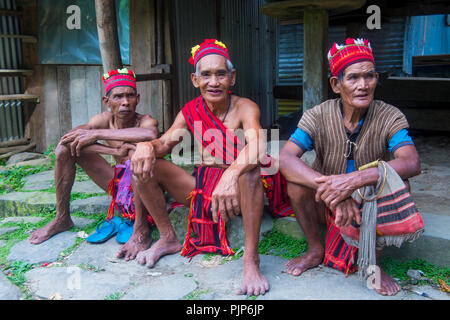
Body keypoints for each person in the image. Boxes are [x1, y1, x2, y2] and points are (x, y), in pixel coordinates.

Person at [129, 39, 285, 296]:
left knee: (250, 170)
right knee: (145, 164)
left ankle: (251, 260)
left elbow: (257, 147)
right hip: (204, 187)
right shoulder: (190, 110)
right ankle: (168, 237)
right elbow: (165, 143)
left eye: (221, 74)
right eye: (206, 75)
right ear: (194, 79)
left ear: (232, 78)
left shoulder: (246, 107)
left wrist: (231, 174)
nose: (214, 82)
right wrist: (147, 145)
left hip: (242, 187)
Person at [279, 38, 424, 296]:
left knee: (399, 181)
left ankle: (373, 263)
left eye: (369, 77)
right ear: (336, 84)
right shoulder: (318, 115)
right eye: (353, 78)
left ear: (377, 79)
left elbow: (411, 162)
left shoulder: (389, 116)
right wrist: (334, 188)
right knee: (296, 184)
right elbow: (287, 158)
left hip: (366, 201)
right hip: (327, 197)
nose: (363, 85)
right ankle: (315, 249)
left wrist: (355, 181)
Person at [29, 68, 159, 261]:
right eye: (118, 97)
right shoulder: (102, 120)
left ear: (138, 99)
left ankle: (141, 227)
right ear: (106, 102)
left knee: (135, 153)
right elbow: (67, 140)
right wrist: (113, 151)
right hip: (120, 187)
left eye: (130, 96)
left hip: (147, 188)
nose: (125, 102)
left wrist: (98, 135)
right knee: (65, 150)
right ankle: (61, 218)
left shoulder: (146, 120)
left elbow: (150, 135)